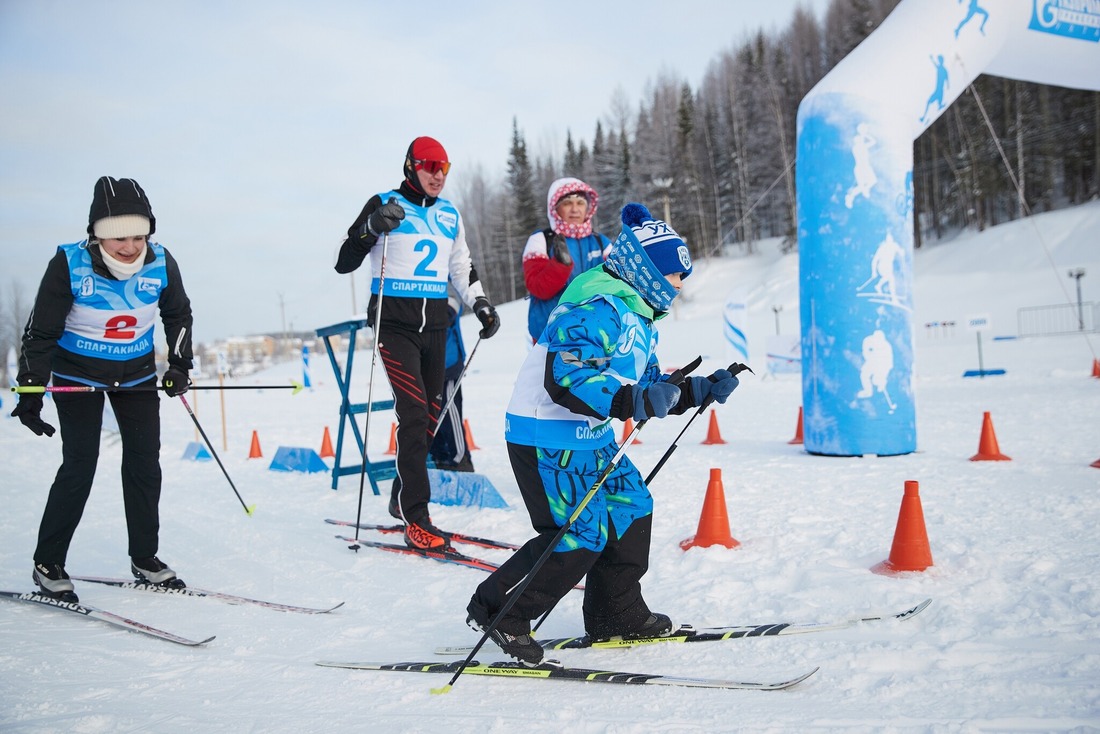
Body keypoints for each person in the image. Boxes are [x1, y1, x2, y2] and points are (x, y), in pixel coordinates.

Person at [466, 202, 740, 664]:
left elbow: (646, 386)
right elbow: (567, 373)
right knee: (577, 536)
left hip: (590, 437)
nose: (679, 285)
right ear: (649, 271)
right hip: (545, 434)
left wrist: (696, 390)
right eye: (675, 275)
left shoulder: (639, 315)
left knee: (631, 507)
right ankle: (499, 611)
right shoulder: (600, 305)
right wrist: (628, 401)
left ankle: (615, 612)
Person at [12, 176, 194, 603]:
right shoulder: (69, 263)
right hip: (78, 376)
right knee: (80, 465)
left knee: (145, 465)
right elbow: (40, 332)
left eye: (137, 236)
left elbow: (179, 315)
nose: (129, 247)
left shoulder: (162, 261)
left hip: (135, 376)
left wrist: (180, 365)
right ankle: (48, 563)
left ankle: (145, 558)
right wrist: (31, 392)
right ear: (96, 236)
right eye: (117, 239)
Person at [335, 136, 499, 551]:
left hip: (436, 327)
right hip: (395, 326)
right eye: (429, 166)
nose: (437, 175)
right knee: (411, 412)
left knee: (430, 414)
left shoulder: (450, 215)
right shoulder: (385, 202)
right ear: (411, 166)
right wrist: (370, 228)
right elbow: (344, 261)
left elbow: (460, 266)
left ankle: (400, 494)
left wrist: (479, 303)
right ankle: (417, 517)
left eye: (444, 168)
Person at [522, 177, 611, 343]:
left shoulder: (600, 242)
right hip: (551, 335)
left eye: (580, 202)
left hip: (596, 335)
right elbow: (537, 286)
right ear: (555, 208)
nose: (575, 209)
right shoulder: (541, 239)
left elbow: (620, 283)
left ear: (588, 207)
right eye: (567, 203)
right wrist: (560, 265)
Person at [429, 289, 475, 473]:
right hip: (424, 360)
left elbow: (454, 301)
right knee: (429, 413)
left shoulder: (441, 270)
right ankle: (439, 456)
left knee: (449, 410)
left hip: (447, 360)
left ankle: (460, 457)